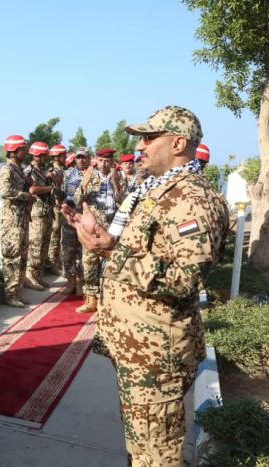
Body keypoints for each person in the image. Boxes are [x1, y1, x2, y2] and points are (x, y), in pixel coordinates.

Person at [62, 106, 228, 466]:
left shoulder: (193, 198)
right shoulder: (158, 190)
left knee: (156, 457)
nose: (140, 146)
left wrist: (111, 251)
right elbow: (137, 247)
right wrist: (100, 236)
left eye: (150, 138)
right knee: (141, 450)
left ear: (179, 143)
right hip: (137, 348)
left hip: (158, 355)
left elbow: (186, 279)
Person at [73, 148, 125, 312]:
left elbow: (124, 202)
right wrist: (83, 184)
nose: (103, 164)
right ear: (96, 160)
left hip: (113, 228)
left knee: (113, 262)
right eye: (101, 161)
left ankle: (111, 299)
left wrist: (117, 184)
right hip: (92, 227)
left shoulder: (119, 178)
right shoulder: (88, 177)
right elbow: (76, 200)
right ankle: (91, 299)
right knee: (89, 262)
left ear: (112, 162)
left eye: (107, 161)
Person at [0, 135, 33, 307]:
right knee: (12, 256)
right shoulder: (7, 169)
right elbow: (5, 191)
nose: (24, 152)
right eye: (22, 149)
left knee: (23, 255)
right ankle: (10, 294)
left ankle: (17, 291)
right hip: (11, 219)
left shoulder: (19, 168)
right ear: (13, 151)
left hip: (22, 217)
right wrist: (26, 196)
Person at [24, 141, 53, 290]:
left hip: (45, 212)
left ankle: (37, 275)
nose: (45, 158)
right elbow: (32, 190)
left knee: (43, 246)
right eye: (42, 156)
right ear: (35, 155)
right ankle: (30, 276)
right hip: (36, 213)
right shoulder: (29, 171)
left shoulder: (41, 171)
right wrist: (50, 188)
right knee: (35, 245)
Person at [60, 147, 90, 295]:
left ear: (88, 159)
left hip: (85, 219)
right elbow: (61, 194)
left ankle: (80, 282)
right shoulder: (67, 174)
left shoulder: (94, 175)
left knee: (83, 252)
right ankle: (70, 281)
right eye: (78, 157)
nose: (81, 160)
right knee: (68, 250)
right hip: (69, 219)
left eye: (84, 157)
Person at [47, 144, 67, 277]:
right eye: (63, 155)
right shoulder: (53, 171)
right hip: (55, 206)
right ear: (57, 156)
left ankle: (57, 262)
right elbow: (53, 190)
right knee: (55, 236)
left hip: (61, 206)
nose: (65, 157)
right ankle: (52, 263)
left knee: (59, 236)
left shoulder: (61, 169)